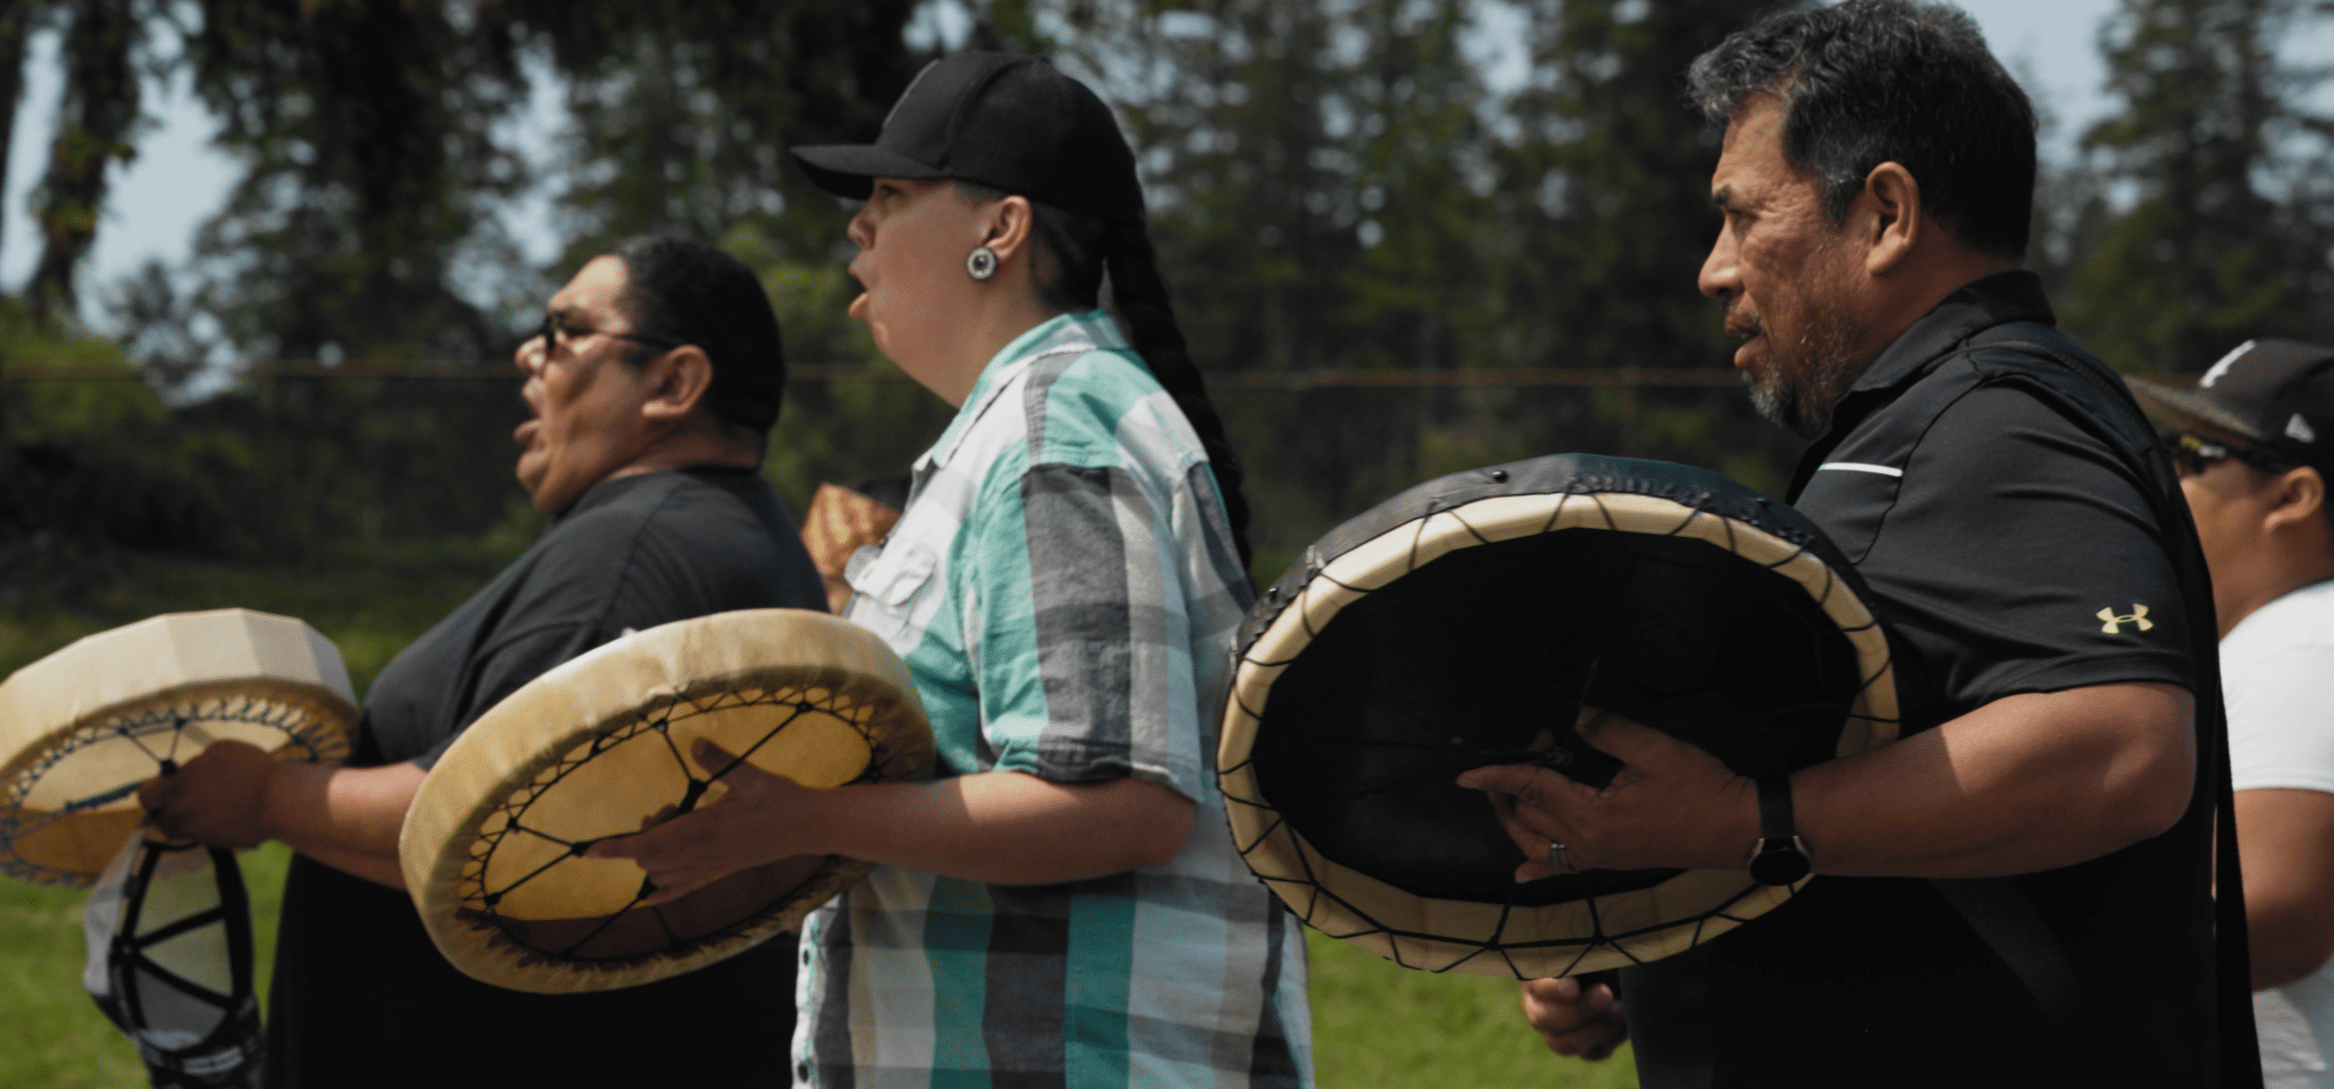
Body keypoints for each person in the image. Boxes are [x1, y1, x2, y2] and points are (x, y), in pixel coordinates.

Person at [1454, 3, 2259, 1085]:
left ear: (1885, 213)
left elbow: (2120, 751)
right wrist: (1657, 963)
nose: (1715, 270)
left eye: (1743, 217)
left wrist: (1743, 823)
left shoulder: (1990, 420)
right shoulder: (1939, 421)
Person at [590, 52, 1313, 1087]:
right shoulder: (1031, 425)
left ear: (1000, 229)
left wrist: (799, 820)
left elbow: (1121, 801)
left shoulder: (1054, 431)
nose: (859, 227)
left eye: (890, 194)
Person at [136, 235, 827, 1087]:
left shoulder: (628, 556)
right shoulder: (725, 533)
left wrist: (264, 796)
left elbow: (497, 824)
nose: (529, 353)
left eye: (566, 331)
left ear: (673, 383)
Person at [2134, 340, 2334, 1088]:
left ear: (2293, 497)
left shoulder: (2303, 643)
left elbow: (2275, 918)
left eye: (2196, 454)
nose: (2168, 476)